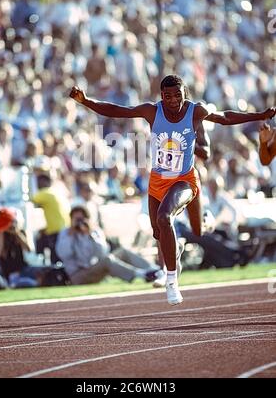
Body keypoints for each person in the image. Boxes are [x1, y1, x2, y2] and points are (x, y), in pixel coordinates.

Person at [69, 75, 275, 305]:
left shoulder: (195, 111)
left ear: (184, 94)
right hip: (158, 181)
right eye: (167, 96)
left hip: (184, 179)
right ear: (161, 96)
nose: (173, 100)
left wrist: (260, 115)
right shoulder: (152, 111)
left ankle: (171, 279)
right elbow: (118, 110)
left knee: (165, 217)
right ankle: (178, 249)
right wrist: (85, 101)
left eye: (177, 95)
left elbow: (225, 117)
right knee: (158, 232)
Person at [55, 206, 161, 285]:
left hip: (95, 268)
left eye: (81, 219)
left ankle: (154, 270)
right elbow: (64, 254)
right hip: (78, 275)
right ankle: (142, 275)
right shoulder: (65, 233)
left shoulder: (93, 231)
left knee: (122, 252)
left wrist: (90, 234)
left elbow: (103, 251)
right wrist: (71, 235)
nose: (79, 223)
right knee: (108, 260)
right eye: (76, 219)